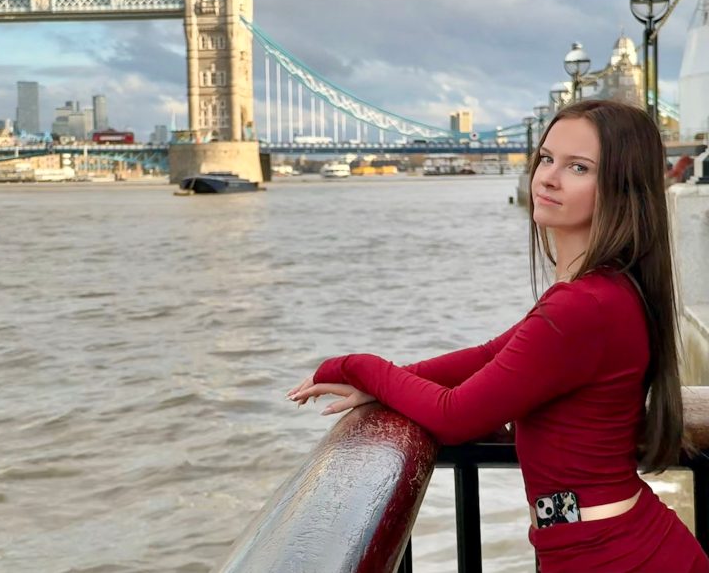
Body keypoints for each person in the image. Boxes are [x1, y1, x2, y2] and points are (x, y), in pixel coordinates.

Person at [288, 99, 709, 572]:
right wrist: (386, 384)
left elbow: (455, 416)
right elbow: (491, 354)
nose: (548, 178)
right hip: (604, 544)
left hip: (616, 556)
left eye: (578, 167)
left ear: (621, 187)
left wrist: (357, 366)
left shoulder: (584, 306)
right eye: (546, 159)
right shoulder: (604, 290)